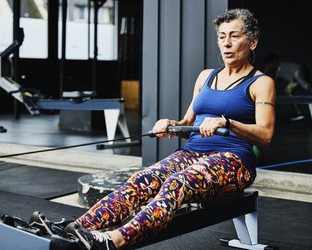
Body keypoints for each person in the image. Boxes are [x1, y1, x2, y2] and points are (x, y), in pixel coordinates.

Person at [65, 8, 276, 250]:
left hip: (234, 161)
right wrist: (171, 125)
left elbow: (266, 136)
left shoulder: (261, 83)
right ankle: (76, 229)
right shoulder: (206, 77)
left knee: (178, 182)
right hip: (192, 154)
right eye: (221, 36)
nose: (226, 44)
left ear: (253, 41)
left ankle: (115, 241)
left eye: (235, 36)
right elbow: (188, 123)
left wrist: (227, 122)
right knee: (143, 178)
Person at [264, 54, 312, 121]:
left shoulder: (281, 64)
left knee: (304, 84)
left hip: (298, 71)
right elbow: (274, 81)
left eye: (270, 65)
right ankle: (299, 113)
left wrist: (268, 68)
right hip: (294, 79)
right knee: (287, 90)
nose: (269, 67)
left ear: (273, 63)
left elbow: (272, 65)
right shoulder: (278, 72)